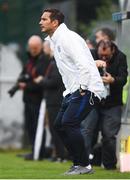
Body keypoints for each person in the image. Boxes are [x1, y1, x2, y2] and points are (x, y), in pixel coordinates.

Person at [39, 8, 105, 175]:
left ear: (55, 23)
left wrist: (82, 88)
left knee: (69, 123)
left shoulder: (68, 38)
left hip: (87, 88)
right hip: (72, 90)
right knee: (59, 125)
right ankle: (78, 164)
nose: (40, 22)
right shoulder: (55, 39)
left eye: (44, 19)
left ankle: (84, 165)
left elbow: (83, 64)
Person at [83, 40, 128, 169]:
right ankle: (82, 163)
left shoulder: (121, 57)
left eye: (106, 56)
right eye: (101, 55)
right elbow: (82, 72)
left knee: (109, 135)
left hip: (112, 102)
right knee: (86, 130)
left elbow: (123, 78)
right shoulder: (90, 55)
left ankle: (109, 165)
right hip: (93, 100)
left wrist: (112, 80)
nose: (103, 58)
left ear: (113, 51)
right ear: (97, 50)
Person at [11, 35, 49, 160]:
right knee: (30, 127)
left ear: (40, 47)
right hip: (28, 100)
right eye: (31, 47)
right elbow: (24, 75)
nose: (33, 50)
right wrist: (21, 82)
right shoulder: (30, 60)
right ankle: (34, 150)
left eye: (35, 47)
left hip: (38, 100)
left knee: (37, 127)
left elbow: (40, 83)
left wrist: (26, 85)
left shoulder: (43, 60)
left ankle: (39, 152)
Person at [34, 40, 66, 162]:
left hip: (55, 101)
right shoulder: (53, 62)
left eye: (46, 47)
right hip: (52, 101)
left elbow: (54, 82)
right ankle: (58, 154)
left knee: (56, 128)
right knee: (53, 129)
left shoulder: (57, 63)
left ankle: (61, 155)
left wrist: (42, 81)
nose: (44, 49)